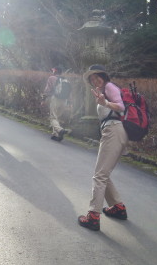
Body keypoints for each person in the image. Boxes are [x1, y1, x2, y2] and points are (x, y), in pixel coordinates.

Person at [77, 64, 129, 231]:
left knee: (99, 176)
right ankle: (117, 207)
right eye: (91, 79)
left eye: (96, 76)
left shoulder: (110, 87)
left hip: (113, 131)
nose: (94, 80)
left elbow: (121, 107)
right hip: (112, 131)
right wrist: (103, 101)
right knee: (103, 174)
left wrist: (105, 102)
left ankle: (93, 216)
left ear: (103, 76)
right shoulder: (103, 90)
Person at [41, 66, 70, 142]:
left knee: (53, 117)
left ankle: (60, 130)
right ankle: (56, 135)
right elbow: (70, 93)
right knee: (56, 117)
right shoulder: (65, 80)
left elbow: (47, 90)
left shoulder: (52, 78)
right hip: (64, 101)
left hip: (56, 99)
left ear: (55, 71)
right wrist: (69, 103)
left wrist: (43, 99)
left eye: (53, 70)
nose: (52, 72)